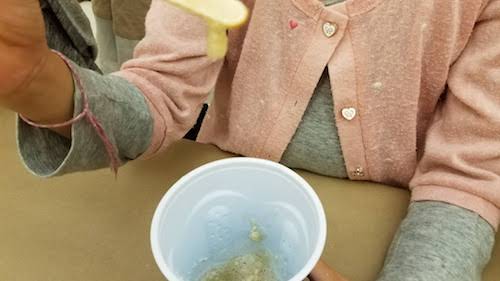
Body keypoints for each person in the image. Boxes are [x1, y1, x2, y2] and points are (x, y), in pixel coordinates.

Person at [1, 0, 499, 280]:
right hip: (222, 192)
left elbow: (468, 176)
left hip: (396, 223)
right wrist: (38, 84)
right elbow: (159, 95)